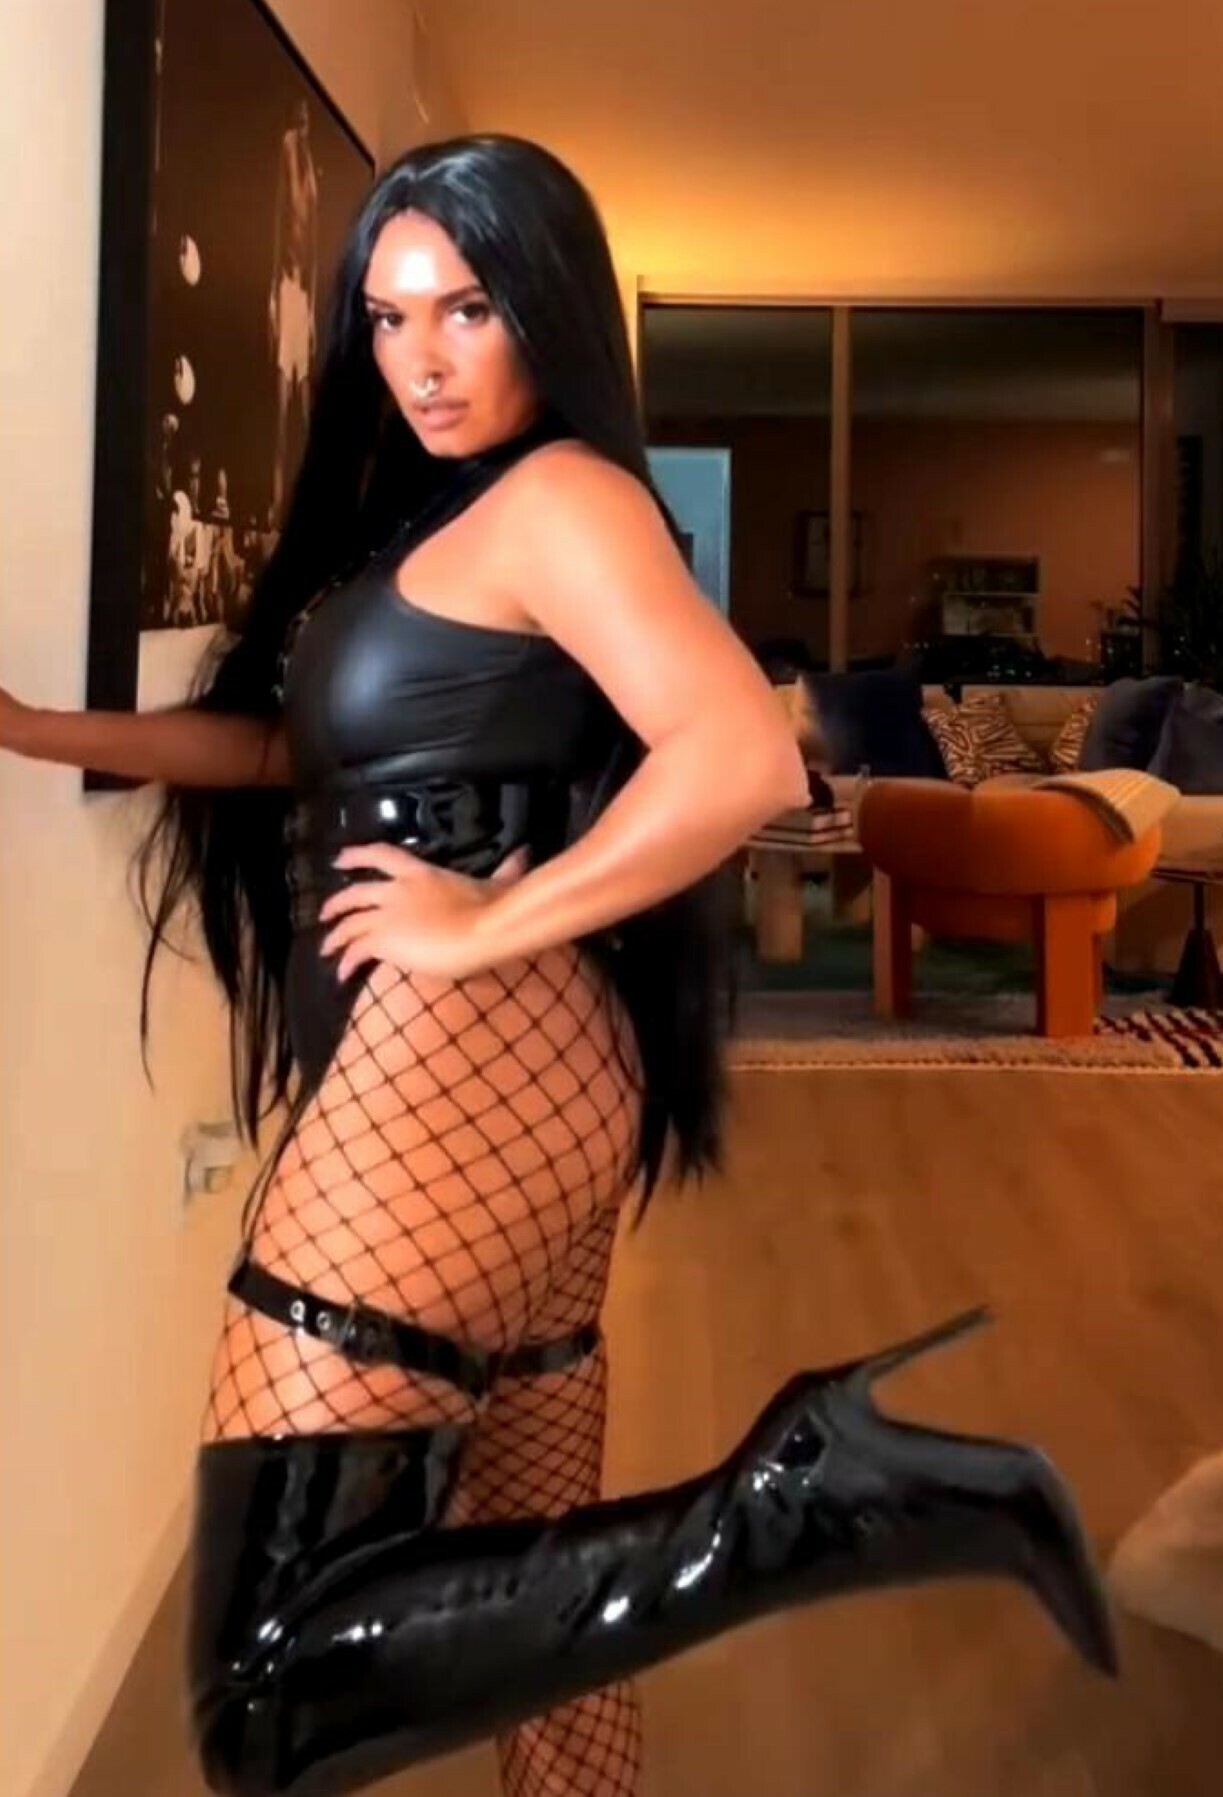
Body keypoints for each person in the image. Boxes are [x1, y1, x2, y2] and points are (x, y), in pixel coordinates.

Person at [0, 136, 1117, 1797]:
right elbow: (295, 753)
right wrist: (37, 731)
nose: (424, 358)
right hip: (523, 1082)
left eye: (467, 308)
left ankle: (798, 1503)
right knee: (538, 1581)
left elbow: (736, 755)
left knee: (269, 1684)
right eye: (389, 319)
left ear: (547, 306)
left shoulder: (561, 500)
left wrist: (474, 923)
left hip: (458, 1066)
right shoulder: (450, 515)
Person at [269, 96, 320, 525]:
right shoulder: (288, 148)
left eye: (307, 120)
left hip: (304, 294)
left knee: (303, 409)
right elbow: (279, 222)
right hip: (286, 286)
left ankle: (303, 506)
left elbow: (315, 246)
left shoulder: (311, 169)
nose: (304, 125)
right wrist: (272, 294)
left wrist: (314, 308)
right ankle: (275, 501)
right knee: (282, 407)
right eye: (300, 118)